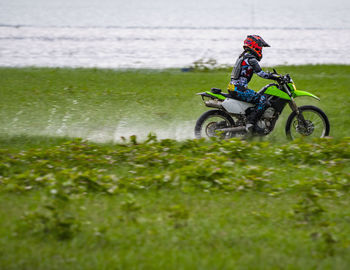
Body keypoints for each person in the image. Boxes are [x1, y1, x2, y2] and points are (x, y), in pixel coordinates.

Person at [228, 35, 280, 133]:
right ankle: (251, 123)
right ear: (255, 46)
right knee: (263, 100)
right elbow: (261, 73)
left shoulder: (243, 56)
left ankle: (248, 119)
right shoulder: (251, 59)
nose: (261, 50)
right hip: (239, 89)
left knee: (256, 99)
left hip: (233, 87)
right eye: (260, 47)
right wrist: (275, 77)